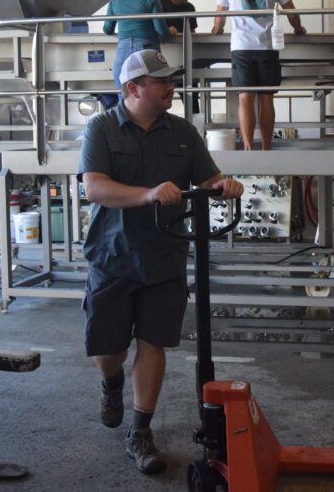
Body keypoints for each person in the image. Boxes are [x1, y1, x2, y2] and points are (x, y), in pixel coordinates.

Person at [79, 48, 244, 475]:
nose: (172, 86)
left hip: (165, 256)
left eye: (171, 79)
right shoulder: (101, 128)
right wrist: (148, 194)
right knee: (109, 347)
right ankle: (111, 382)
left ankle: (140, 430)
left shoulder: (183, 133)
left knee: (154, 342)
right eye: (162, 81)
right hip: (113, 256)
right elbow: (95, 189)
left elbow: (208, 178)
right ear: (133, 88)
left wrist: (224, 184)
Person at [212, 0, 305, 150]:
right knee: (266, 97)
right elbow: (291, 11)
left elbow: (220, 17)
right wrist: (298, 29)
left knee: (245, 97)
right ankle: (266, 145)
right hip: (267, 46)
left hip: (241, 46)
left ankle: (247, 145)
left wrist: (216, 31)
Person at [102, 0, 171, 107]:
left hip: (123, 49)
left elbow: (107, 29)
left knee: (125, 98)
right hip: (147, 51)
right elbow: (161, 31)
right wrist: (170, 31)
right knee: (152, 98)